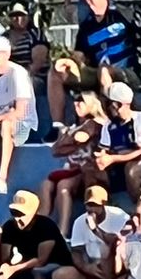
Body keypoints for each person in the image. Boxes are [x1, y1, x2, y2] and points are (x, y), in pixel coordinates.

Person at [45, 0, 136, 137]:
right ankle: (58, 127)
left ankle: (109, 123)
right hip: (97, 73)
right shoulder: (86, 26)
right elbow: (80, 57)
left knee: (104, 70)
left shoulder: (123, 15)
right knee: (56, 71)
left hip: (126, 73)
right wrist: (69, 62)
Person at [54, 182, 123, 279]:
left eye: (96, 205)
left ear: (105, 204)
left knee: (107, 252)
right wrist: (87, 267)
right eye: (89, 205)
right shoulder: (80, 221)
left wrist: (95, 229)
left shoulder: (119, 217)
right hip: (94, 271)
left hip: (119, 270)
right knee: (58, 275)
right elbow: (76, 252)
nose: (92, 209)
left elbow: (119, 243)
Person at [0, 37, 37, 197]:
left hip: (23, 125)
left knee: (7, 124)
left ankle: (1, 179)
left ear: (6, 55)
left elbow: (20, 112)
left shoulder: (18, 74)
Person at [39, 90, 106, 227]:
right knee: (46, 184)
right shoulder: (74, 126)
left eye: (81, 101)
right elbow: (56, 150)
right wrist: (70, 141)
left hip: (88, 170)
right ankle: (41, 222)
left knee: (64, 186)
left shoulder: (95, 123)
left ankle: (62, 230)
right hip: (72, 169)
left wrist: (67, 139)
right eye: (75, 100)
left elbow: (81, 137)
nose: (77, 104)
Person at [90, 81, 141, 196]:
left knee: (131, 169)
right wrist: (101, 157)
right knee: (92, 169)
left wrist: (113, 158)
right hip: (121, 164)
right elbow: (105, 149)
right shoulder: (109, 125)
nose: (106, 105)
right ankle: (105, 205)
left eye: (109, 102)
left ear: (119, 104)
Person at [4, 4, 49, 81]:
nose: (18, 18)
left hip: (34, 77)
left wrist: (22, 77)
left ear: (28, 16)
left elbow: (38, 63)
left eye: (22, 15)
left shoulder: (36, 35)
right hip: (9, 77)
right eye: (14, 15)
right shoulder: (4, 37)